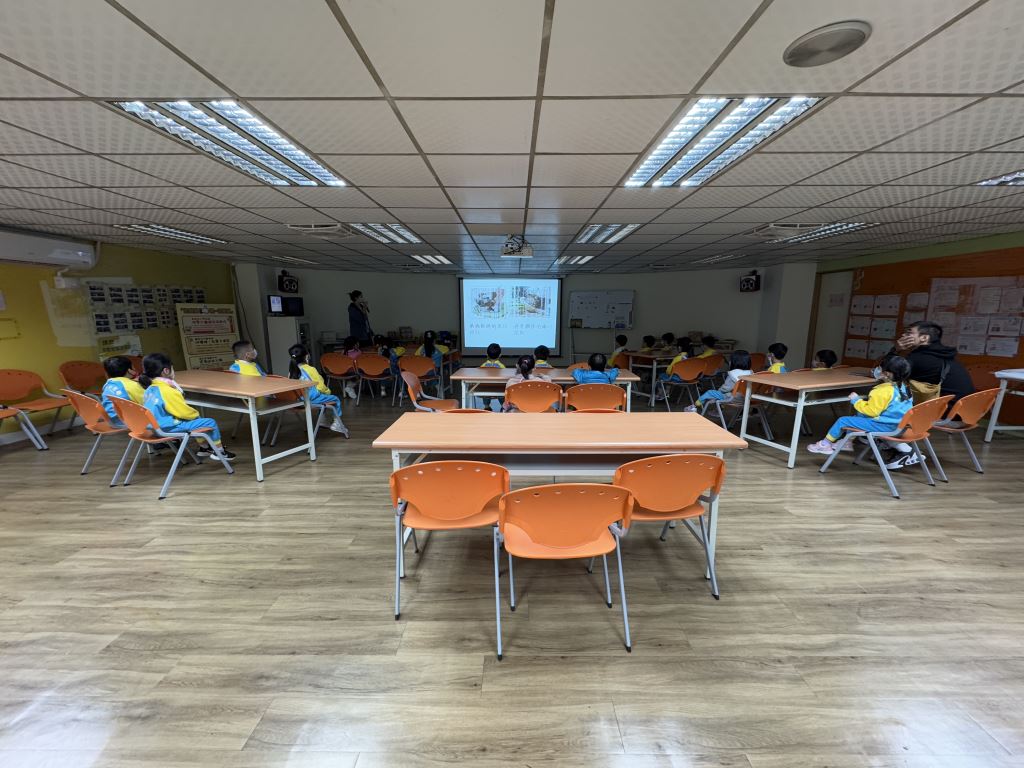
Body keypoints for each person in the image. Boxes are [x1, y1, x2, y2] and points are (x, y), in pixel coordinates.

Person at [807, 356, 914, 456]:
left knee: (842, 421)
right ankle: (847, 442)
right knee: (859, 415)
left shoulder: (882, 391)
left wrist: (856, 401)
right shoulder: (904, 386)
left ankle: (825, 444)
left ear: (886, 374)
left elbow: (871, 412)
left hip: (885, 426)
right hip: (899, 426)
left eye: (879, 368)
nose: (876, 370)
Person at [139, 353, 235, 460]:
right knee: (209, 422)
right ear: (166, 371)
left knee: (195, 420)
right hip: (167, 428)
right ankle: (220, 452)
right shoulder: (167, 390)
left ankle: (204, 448)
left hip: (154, 427)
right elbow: (184, 412)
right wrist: (196, 414)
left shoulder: (149, 389)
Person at [887, 320, 974, 406]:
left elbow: (886, 373)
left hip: (943, 410)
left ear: (924, 338)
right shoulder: (944, 354)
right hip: (964, 408)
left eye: (909, 333)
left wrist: (896, 349)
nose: (903, 335)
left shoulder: (919, 358)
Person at [288, 343, 349, 437]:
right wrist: (328, 392)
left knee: (323, 399)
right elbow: (321, 387)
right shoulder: (311, 369)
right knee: (335, 399)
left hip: (298, 401)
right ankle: (337, 424)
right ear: (307, 356)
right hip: (310, 399)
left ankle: (322, 421)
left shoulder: (292, 371)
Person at [685, 350, 752, 411]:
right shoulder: (750, 373)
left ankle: (695, 405)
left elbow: (726, 388)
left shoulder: (733, 374)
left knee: (710, 393)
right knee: (722, 396)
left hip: (734, 398)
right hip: (747, 398)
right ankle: (719, 411)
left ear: (733, 362)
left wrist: (719, 391)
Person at [101, 355, 145, 427]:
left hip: (114, 421)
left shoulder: (108, 384)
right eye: (133, 367)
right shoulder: (132, 385)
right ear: (129, 370)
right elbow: (146, 403)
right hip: (131, 421)